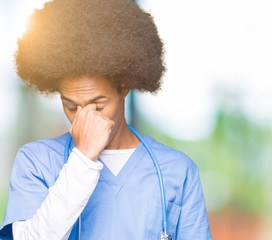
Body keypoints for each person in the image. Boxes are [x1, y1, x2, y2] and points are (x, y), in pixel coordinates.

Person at [0, 0, 213, 239]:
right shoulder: (36, 162)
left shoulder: (177, 171)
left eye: (98, 106)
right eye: (71, 106)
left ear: (124, 88)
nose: (85, 117)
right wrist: (83, 158)